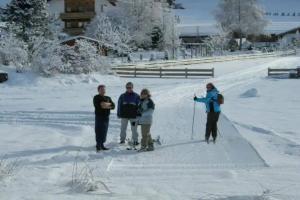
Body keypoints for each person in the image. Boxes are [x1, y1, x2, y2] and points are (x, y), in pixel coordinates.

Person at [93, 85, 115, 152]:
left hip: (106, 116)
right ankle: (98, 145)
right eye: (101, 89)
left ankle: (102, 144)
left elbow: (113, 106)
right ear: (98, 90)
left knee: (104, 131)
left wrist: (105, 105)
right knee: (98, 130)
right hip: (99, 116)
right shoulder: (96, 97)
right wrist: (108, 105)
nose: (103, 90)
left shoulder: (108, 97)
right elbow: (98, 105)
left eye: (104, 89)